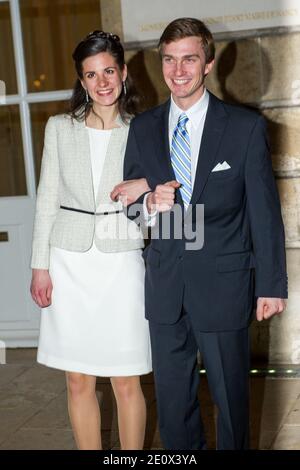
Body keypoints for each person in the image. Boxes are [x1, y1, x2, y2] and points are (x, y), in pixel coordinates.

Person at [113, 18, 287, 450]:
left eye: (189, 59)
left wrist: (271, 284)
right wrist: (150, 203)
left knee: (231, 403)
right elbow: (131, 203)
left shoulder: (244, 128)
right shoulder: (144, 128)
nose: (178, 70)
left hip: (224, 284)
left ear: (208, 63)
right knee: (173, 407)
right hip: (167, 285)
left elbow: (264, 213)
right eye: (169, 60)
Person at [30, 30, 152, 450]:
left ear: (123, 73)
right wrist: (39, 266)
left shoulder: (145, 130)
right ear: (81, 81)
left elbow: (157, 204)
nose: (102, 82)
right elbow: (47, 197)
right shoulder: (59, 128)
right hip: (69, 260)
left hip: (122, 262)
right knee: (78, 379)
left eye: (109, 71)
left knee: (126, 378)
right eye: (91, 74)